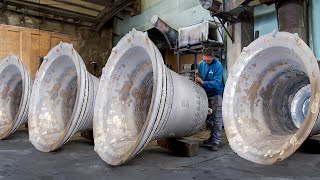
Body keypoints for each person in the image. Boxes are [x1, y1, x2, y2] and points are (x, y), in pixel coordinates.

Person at [195, 48, 224, 151]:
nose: (206, 62)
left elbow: (216, 84)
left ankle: (216, 141)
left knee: (217, 118)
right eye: (205, 60)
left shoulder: (218, 66)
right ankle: (212, 137)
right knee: (209, 118)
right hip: (205, 94)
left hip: (216, 95)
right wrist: (197, 77)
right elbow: (199, 75)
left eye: (208, 61)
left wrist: (203, 82)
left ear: (213, 57)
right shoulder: (201, 64)